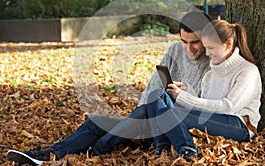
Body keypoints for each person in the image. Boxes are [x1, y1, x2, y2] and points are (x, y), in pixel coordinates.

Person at [7, 10, 212, 165]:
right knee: (96, 120)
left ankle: (98, 149)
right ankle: (45, 156)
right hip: (147, 118)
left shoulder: (212, 60)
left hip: (175, 127)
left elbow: (205, 106)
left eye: (195, 42)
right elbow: (153, 87)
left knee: (115, 128)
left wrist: (186, 94)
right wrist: (138, 117)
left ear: (206, 38)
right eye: (184, 41)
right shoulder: (175, 50)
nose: (188, 48)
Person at [147, 20, 262, 162]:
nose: (206, 53)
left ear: (228, 44)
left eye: (211, 48)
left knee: (170, 112)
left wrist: (183, 98)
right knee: (157, 96)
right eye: (206, 47)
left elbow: (228, 107)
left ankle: (188, 151)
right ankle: (162, 147)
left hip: (240, 125)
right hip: (216, 118)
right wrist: (187, 90)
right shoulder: (210, 75)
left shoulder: (247, 71)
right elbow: (205, 105)